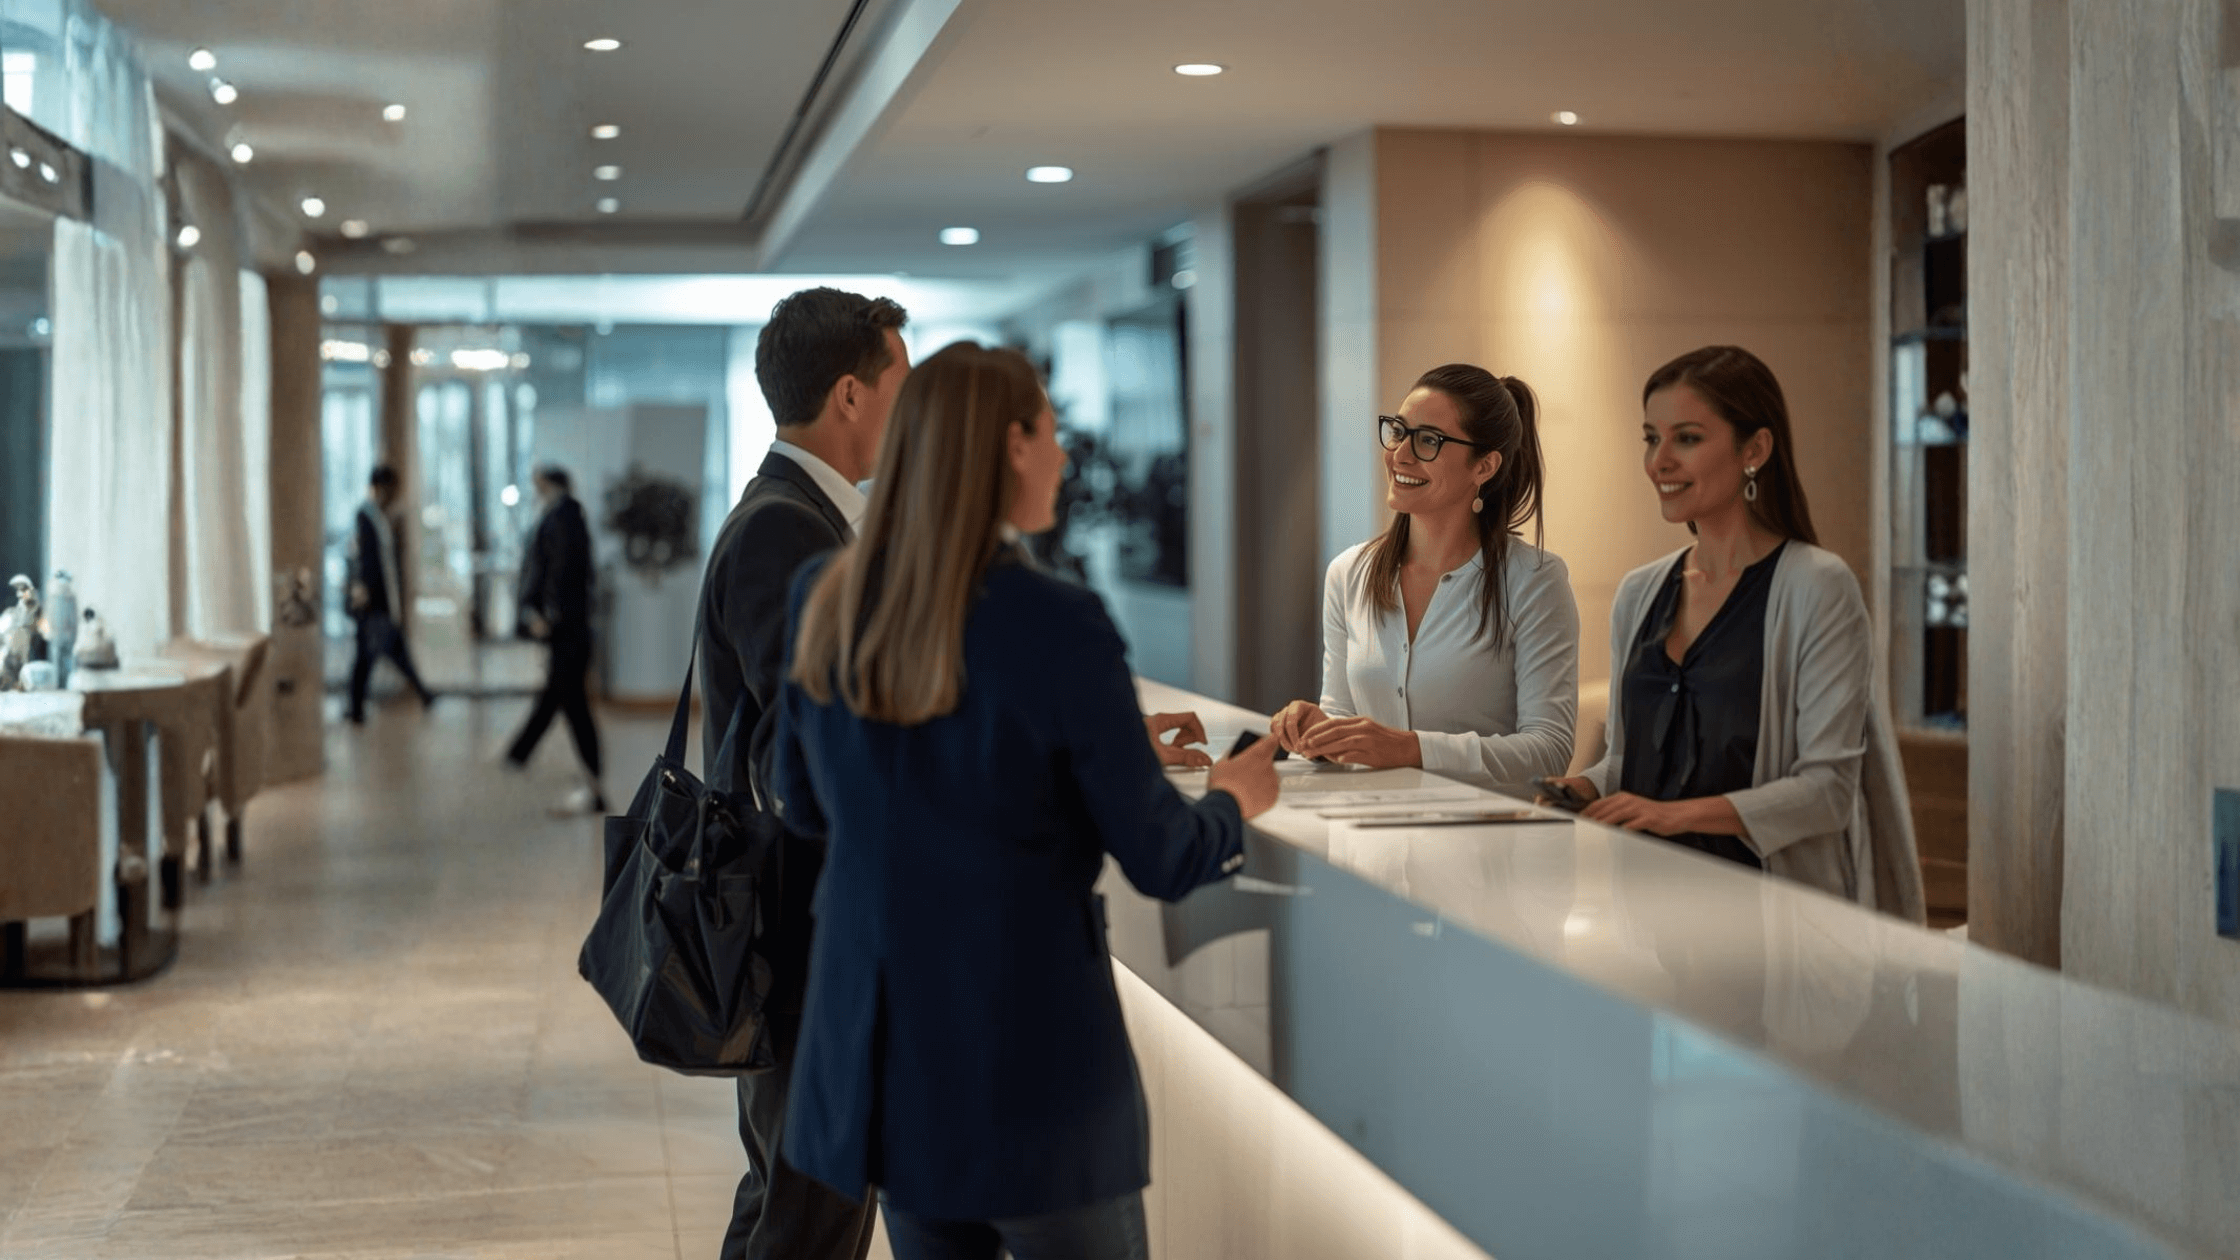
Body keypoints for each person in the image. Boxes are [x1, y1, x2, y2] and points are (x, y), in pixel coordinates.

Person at [773, 342, 1281, 1260]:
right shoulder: (1057, 619)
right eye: (1051, 431)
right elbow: (1164, 856)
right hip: (1033, 1068)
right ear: (1011, 444)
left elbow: (804, 805)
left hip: (888, 1063)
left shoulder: (828, 597)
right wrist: (1235, 800)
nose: (1063, 455)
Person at [1541, 346, 1925, 920]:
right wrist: (1588, 787)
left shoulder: (1817, 586)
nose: (1658, 461)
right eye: (1651, 438)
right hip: (1646, 913)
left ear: (1755, 450)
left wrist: (1676, 814)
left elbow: (1827, 791)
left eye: (1686, 438)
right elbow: (1629, 763)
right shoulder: (1638, 593)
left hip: (1773, 924)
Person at [1270, 364, 1578, 800]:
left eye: (1428, 440)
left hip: (1485, 847)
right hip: (1371, 834)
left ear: (1485, 466)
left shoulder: (1535, 581)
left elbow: (1549, 751)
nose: (1400, 454)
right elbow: (1342, 713)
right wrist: (1319, 733)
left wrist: (1412, 749)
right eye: (1398, 431)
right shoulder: (1348, 574)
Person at [504, 464, 604, 814]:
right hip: (568, 628)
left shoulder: (564, 517)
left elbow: (562, 570)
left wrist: (550, 616)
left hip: (567, 629)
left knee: (572, 704)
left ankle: (593, 784)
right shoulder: (563, 515)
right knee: (560, 697)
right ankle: (519, 753)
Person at [346, 464, 435, 723]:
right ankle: (357, 708)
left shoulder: (379, 517)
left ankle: (421, 693)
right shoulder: (366, 516)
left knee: (388, 651)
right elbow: (366, 559)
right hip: (374, 602)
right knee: (371, 654)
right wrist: (363, 590)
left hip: (382, 601)